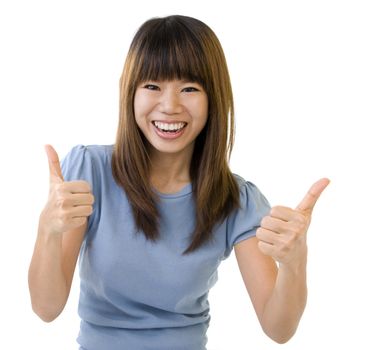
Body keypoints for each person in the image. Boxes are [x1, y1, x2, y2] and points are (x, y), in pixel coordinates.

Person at [28, 15, 330, 350]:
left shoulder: (237, 200)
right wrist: (48, 230)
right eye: (152, 86)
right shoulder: (90, 171)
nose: (169, 106)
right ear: (131, 93)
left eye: (189, 88)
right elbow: (47, 308)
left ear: (213, 98)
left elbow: (279, 328)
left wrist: (295, 261)